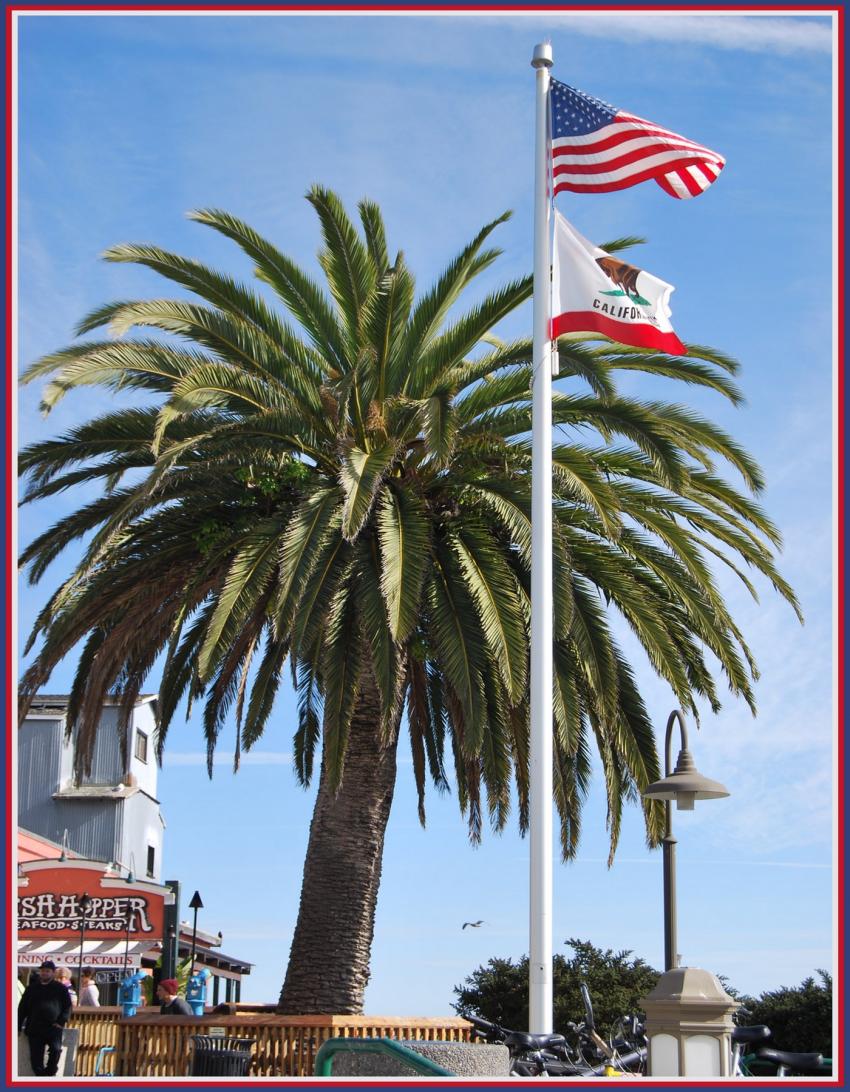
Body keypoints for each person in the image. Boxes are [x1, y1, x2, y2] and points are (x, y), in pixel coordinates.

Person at [18, 960, 72, 1076]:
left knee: (56, 1050)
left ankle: (50, 1072)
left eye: (47, 971)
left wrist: (61, 1021)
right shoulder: (31, 988)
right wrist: (17, 1026)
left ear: (53, 973)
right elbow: (22, 1008)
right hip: (34, 1028)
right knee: (36, 1060)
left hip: (53, 1028)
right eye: (42, 971)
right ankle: (42, 1080)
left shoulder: (60, 989)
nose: (44, 973)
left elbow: (68, 1006)